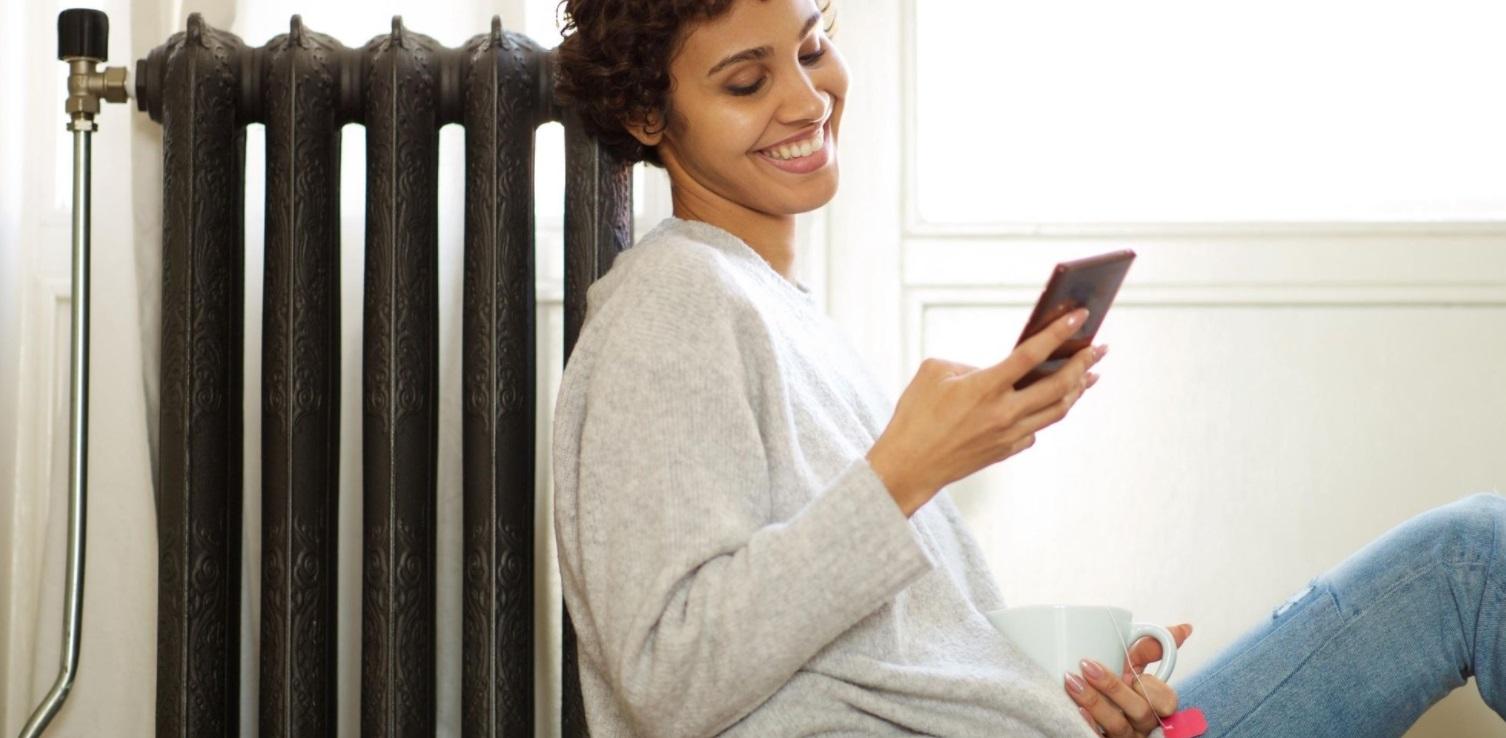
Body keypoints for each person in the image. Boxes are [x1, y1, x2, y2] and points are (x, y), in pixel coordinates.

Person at [548, 0, 1506, 735]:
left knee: (1475, 553)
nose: (806, 99)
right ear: (645, 112)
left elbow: (860, 660)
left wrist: (1062, 695)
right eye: (747, 82)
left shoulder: (776, 311)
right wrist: (907, 470)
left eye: (810, 47)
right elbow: (667, 678)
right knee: (1472, 559)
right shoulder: (670, 306)